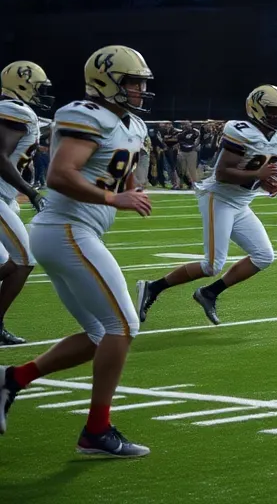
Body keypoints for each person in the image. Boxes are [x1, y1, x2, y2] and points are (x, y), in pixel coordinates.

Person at [1, 45, 153, 457]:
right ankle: (96, 432)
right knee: (124, 326)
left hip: (73, 231)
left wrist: (130, 190)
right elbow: (60, 174)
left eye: (141, 82)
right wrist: (112, 199)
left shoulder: (131, 125)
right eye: (132, 81)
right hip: (66, 227)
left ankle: (11, 380)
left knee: (99, 334)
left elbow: (109, 175)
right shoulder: (85, 113)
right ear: (107, 80)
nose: (140, 89)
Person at [137, 86, 277, 327]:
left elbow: (263, 170)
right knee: (212, 265)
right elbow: (223, 173)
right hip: (218, 198)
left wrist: (268, 182)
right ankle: (152, 287)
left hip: (241, 202)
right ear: (257, 109)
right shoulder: (241, 131)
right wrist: (258, 173)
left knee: (264, 256)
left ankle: (209, 293)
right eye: (274, 111)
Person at [0, 61, 54, 345]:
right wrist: (31, 192)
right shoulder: (14, 111)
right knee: (24, 260)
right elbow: (1, 157)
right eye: (38, 88)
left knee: (7, 262)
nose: (41, 94)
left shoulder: (15, 111)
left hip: (5, 199)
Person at [175, 120, 200, 189]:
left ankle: (194, 184)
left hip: (192, 152)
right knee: (181, 170)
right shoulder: (180, 133)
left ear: (190, 123)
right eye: (184, 124)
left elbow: (197, 141)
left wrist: (194, 147)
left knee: (192, 169)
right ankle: (179, 184)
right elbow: (178, 141)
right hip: (182, 152)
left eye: (187, 123)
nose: (185, 125)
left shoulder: (196, 132)